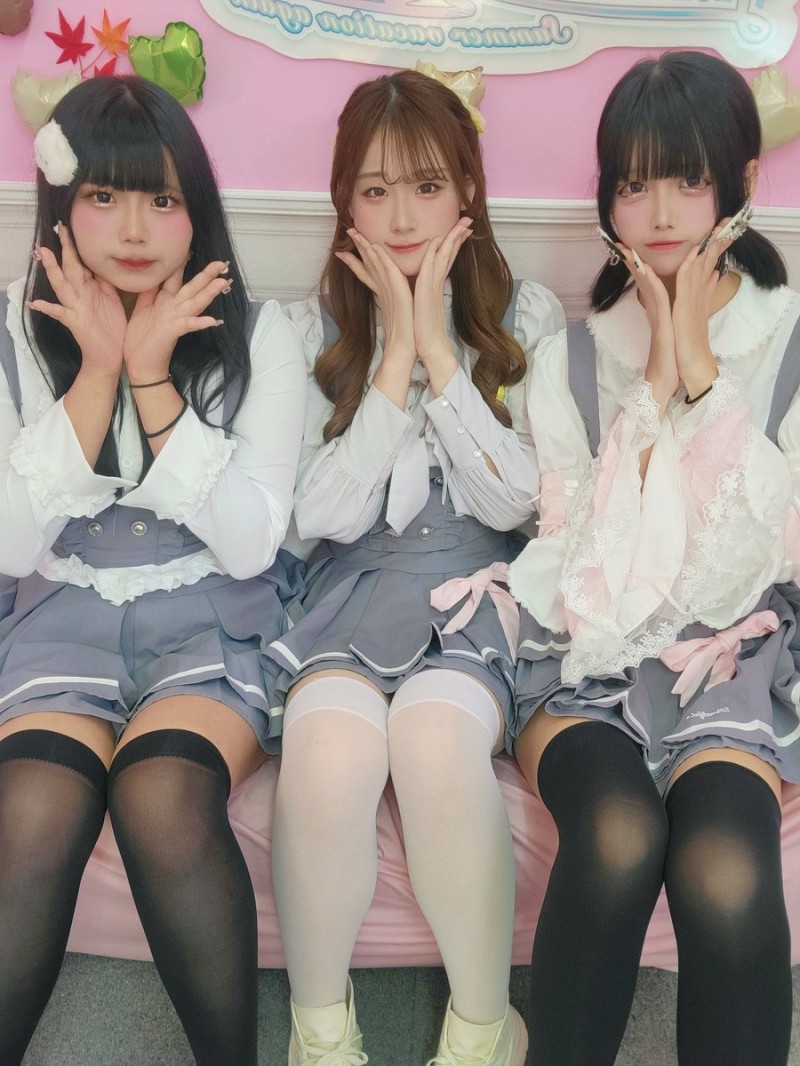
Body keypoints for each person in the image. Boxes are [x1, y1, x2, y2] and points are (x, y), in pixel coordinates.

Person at [0, 75, 306, 1065]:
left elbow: (250, 544)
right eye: (104, 196)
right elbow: (9, 544)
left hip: (211, 609)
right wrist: (96, 372)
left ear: (195, 210)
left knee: (161, 795)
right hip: (59, 611)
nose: (134, 229)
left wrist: (150, 378)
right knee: (30, 809)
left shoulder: (262, 335)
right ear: (62, 204)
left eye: (162, 199)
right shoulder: (11, 335)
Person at [263, 69, 564, 1066]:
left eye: (427, 186)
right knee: (324, 756)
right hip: (349, 587)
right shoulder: (301, 329)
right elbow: (318, 516)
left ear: (467, 190)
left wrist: (439, 351)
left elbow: (517, 506)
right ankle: (321, 1034)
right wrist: (391, 363)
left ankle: (483, 1029)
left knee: (435, 743)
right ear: (342, 200)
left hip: (476, 588)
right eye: (375, 189)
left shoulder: (527, 318)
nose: (401, 217)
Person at [507, 51, 798, 1066]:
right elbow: (573, 566)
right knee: (615, 836)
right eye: (633, 184)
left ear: (742, 183)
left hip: (732, 654)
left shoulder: (788, 342)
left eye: (687, 178)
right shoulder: (571, 358)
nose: (660, 212)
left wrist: (703, 382)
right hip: (585, 649)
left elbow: (766, 558)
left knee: (725, 868)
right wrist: (650, 396)